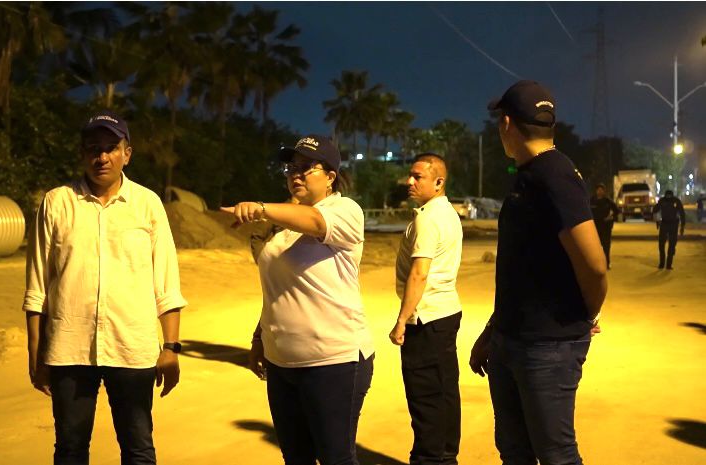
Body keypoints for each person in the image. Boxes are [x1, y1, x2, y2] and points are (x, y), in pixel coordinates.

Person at [23, 110, 187, 465]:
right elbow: (38, 285)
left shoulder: (147, 204)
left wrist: (171, 347)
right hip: (69, 348)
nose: (102, 157)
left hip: (132, 348)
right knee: (70, 448)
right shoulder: (56, 202)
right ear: (82, 153)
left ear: (127, 153)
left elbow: (166, 283)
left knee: (138, 448)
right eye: (93, 148)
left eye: (111, 148)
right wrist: (37, 354)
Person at [469, 80, 608, 465]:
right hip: (512, 340)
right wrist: (492, 332)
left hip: (546, 348)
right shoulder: (530, 175)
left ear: (507, 123)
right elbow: (524, 274)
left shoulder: (555, 175)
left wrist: (587, 313)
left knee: (556, 455)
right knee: (515, 451)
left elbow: (595, 266)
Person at [222, 134, 375, 465]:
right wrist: (260, 336)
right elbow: (277, 289)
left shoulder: (344, 210)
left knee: (336, 458)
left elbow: (316, 223)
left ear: (331, 176)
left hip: (333, 362)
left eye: (308, 167)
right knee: (296, 457)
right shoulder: (283, 226)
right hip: (282, 363)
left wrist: (262, 209)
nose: (296, 173)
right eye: (292, 166)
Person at [389, 153, 463, 465]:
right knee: (445, 390)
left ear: (438, 182)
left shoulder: (427, 218)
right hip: (446, 313)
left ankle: (430, 459)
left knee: (425, 398)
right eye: (411, 175)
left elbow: (420, 272)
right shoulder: (448, 213)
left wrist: (402, 319)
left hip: (427, 317)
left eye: (417, 176)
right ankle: (446, 456)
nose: (410, 181)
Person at [652, 189, 685, 270]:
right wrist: (657, 222)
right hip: (664, 224)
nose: (668, 197)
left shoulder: (676, 201)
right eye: (667, 196)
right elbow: (655, 211)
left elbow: (682, 213)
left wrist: (682, 227)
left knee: (672, 245)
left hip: (674, 224)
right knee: (661, 245)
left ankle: (669, 264)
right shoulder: (662, 201)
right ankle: (662, 263)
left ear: (672, 195)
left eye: (670, 195)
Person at [589, 183, 619, 269]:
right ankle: (595, 264)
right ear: (596, 190)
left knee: (606, 246)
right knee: (595, 247)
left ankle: (607, 263)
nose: (600, 191)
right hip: (595, 227)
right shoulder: (591, 200)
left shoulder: (607, 201)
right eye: (598, 189)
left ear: (604, 191)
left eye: (601, 189)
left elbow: (617, 211)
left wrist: (611, 217)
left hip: (606, 227)